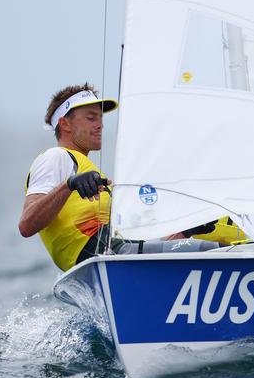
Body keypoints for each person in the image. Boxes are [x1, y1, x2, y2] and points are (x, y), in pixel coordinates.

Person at [18, 83, 221, 272]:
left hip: (117, 257)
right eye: (91, 118)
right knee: (212, 250)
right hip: (103, 258)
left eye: (100, 118)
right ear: (65, 124)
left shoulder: (92, 173)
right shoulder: (56, 157)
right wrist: (69, 185)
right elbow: (26, 225)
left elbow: (139, 248)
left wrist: (185, 231)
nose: (100, 125)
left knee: (209, 244)